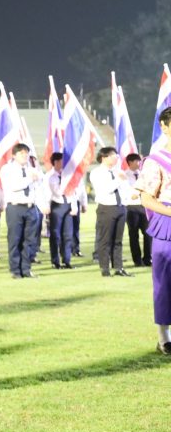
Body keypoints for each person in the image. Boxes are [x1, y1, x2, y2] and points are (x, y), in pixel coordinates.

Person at [138, 108, 171, 354]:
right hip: (167, 224)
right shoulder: (155, 161)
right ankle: (164, 338)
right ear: (164, 126)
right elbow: (146, 199)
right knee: (165, 281)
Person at [0, 144, 41, 279]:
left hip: (31, 207)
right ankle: (15, 270)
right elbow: (13, 186)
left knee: (29, 240)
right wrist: (30, 179)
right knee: (15, 239)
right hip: (15, 207)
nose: (24, 156)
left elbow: (38, 187)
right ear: (14, 155)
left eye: (26, 153)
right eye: (21, 153)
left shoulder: (32, 169)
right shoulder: (7, 169)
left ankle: (26, 269)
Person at [89, 146, 132, 277]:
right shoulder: (96, 173)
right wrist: (119, 179)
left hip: (120, 206)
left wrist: (125, 200)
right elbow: (106, 189)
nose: (116, 158)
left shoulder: (118, 171)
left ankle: (118, 267)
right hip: (106, 208)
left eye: (116, 155)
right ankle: (105, 268)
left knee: (118, 240)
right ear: (104, 157)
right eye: (113, 155)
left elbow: (125, 188)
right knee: (105, 240)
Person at [46, 153, 74, 269]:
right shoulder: (51, 176)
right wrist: (67, 184)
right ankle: (55, 261)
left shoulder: (68, 175)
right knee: (55, 234)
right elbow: (58, 191)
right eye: (61, 161)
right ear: (55, 162)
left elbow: (73, 192)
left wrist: (74, 206)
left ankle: (66, 260)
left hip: (68, 204)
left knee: (67, 234)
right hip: (57, 205)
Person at [125, 153, 152, 267]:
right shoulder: (125, 175)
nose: (140, 163)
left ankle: (148, 258)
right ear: (130, 162)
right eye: (138, 161)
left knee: (148, 233)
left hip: (144, 206)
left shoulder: (143, 174)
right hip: (131, 207)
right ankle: (137, 260)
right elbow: (128, 191)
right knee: (133, 234)